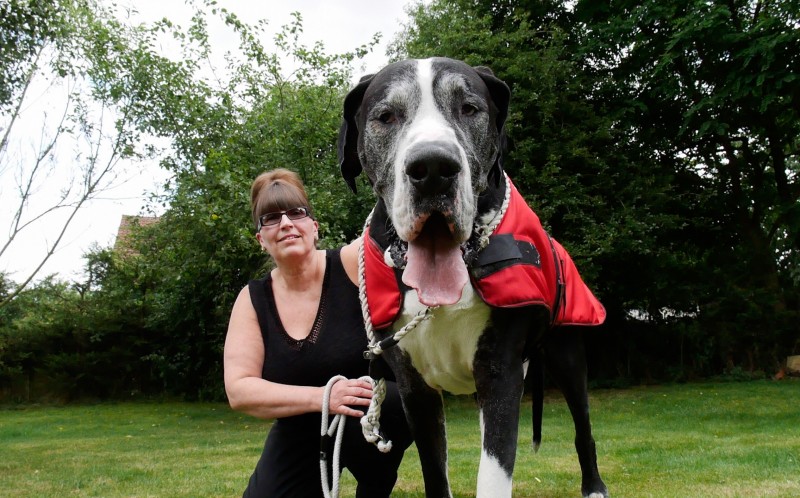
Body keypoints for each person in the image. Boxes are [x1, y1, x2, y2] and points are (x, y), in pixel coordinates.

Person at [224, 168, 412, 498]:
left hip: (370, 411)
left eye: (296, 213)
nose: (285, 224)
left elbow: (400, 228)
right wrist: (325, 398)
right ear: (261, 240)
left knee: (387, 400)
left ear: (314, 227)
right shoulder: (252, 299)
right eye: (270, 218)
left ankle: (375, 486)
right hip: (300, 425)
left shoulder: (354, 263)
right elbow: (240, 390)